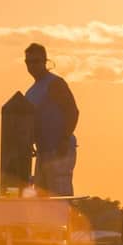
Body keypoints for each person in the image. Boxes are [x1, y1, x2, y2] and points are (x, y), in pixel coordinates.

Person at [22, 42, 79, 195]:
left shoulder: (55, 83)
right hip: (43, 152)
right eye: (29, 62)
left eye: (36, 61)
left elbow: (72, 111)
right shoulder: (31, 91)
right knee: (42, 200)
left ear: (45, 61)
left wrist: (65, 139)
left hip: (59, 150)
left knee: (59, 199)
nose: (32, 66)